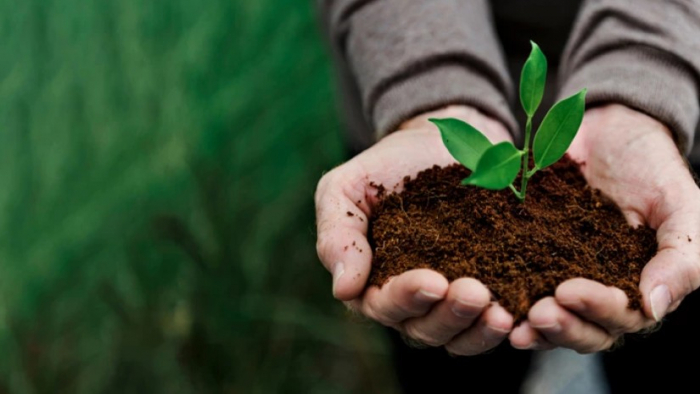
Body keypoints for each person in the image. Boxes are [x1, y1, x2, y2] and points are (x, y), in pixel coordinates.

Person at [314, 1, 700, 392]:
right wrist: (431, 84)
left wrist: (643, 80)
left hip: (674, 84)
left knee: (660, 355)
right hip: (398, 85)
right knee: (451, 360)